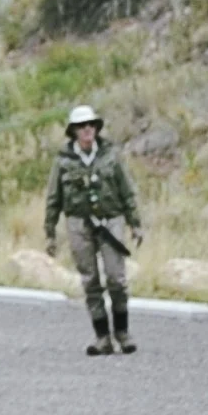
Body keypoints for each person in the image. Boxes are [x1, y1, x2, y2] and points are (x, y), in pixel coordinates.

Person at [44, 105, 144, 357]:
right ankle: (102, 337)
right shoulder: (63, 161)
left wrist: (135, 223)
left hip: (111, 220)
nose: (87, 129)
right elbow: (53, 198)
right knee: (90, 280)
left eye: (91, 124)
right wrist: (50, 232)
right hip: (78, 223)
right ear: (73, 131)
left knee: (116, 278)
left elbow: (127, 190)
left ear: (97, 128)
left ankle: (122, 332)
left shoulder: (111, 155)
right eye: (81, 126)